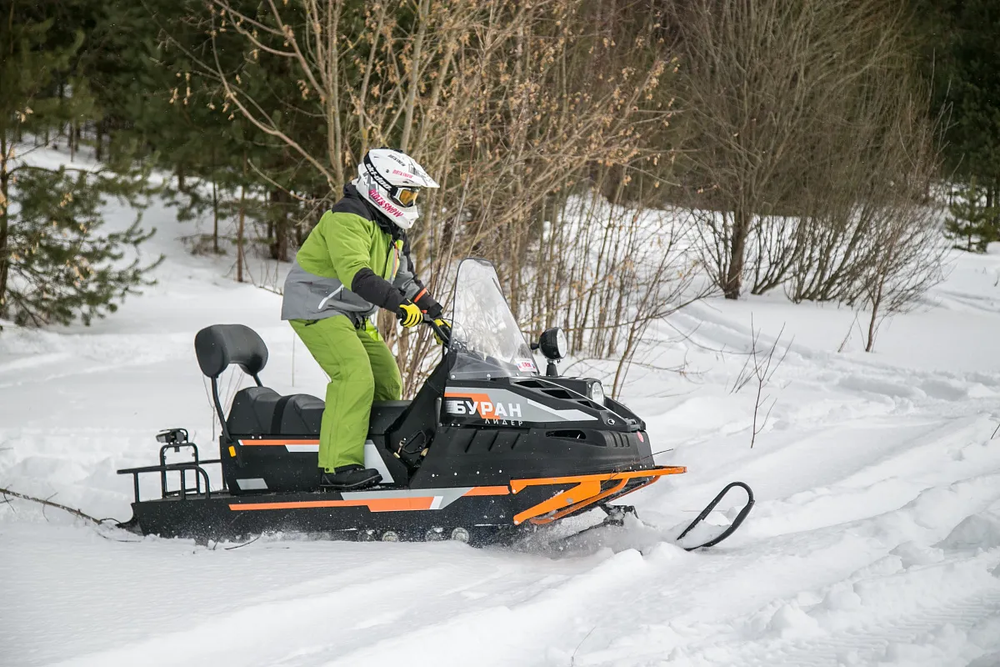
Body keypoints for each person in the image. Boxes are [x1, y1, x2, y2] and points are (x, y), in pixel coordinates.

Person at [281, 148, 448, 490]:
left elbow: (402, 278)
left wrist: (433, 311)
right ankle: (338, 467)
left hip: (352, 314)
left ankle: (380, 457)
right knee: (354, 375)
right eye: (405, 194)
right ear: (379, 188)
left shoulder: (388, 228)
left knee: (387, 380)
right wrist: (399, 306)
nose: (410, 201)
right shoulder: (347, 217)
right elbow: (358, 275)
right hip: (319, 308)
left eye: (413, 195)